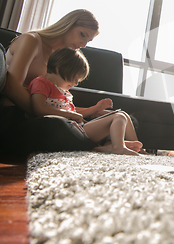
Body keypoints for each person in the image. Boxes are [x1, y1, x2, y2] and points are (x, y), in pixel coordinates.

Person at [0, 9, 140, 158]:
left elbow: (58, 100)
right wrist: (49, 112)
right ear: (68, 25)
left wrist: (84, 113)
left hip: (43, 113)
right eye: (82, 35)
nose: (84, 44)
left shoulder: (59, 57)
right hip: (17, 115)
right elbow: (11, 86)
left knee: (122, 118)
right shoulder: (32, 40)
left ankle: (110, 146)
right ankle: (102, 146)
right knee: (58, 126)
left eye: (88, 41)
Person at [28, 48, 142, 156]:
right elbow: (39, 108)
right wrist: (71, 114)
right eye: (75, 78)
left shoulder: (63, 92)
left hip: (79, 128)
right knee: (119, 117)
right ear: (59, 68)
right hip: (71, 131)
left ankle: (134, 149)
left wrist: (95, 109)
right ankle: (118, 147)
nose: (76, 83)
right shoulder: (41, 83)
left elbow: (74, 112)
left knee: (123, 114)